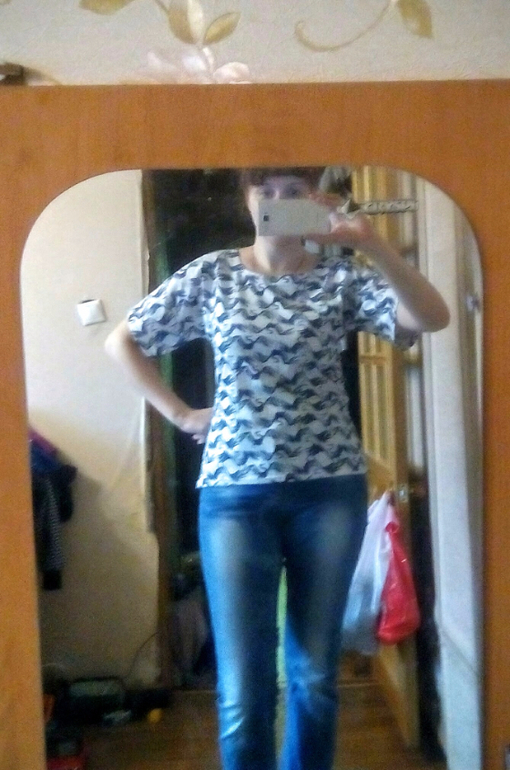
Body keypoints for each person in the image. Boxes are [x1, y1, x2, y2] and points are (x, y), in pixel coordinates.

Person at [105, 167, 449, 770]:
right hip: (234, 494)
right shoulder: (212, 274)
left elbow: (431, 317)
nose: (277, 203)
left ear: (315, 202)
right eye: (265, 191)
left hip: (329, 493)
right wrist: (182, 414)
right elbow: (123, 341)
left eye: (294, 193)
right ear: (246, 199)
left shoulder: (341, 278)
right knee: (244, 688)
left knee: (315, 676)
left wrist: (371, 244)